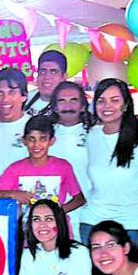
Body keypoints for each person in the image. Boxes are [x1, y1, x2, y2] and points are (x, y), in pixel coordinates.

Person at [81, 78, 138, 252]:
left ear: (125, 105)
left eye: (114, 100)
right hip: (93, 219)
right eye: (101, 101)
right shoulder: (92, 136)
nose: (107, 106)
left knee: (129, 269)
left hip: (131, 221)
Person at [0, 115, 85, 216]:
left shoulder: (63, 167)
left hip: (56, 225)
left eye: (43, 139)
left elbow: (79, 199)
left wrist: (56, 212)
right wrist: (12, 194)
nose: (36, 145)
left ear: (51, 141)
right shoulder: (16, 168)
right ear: (24, 141)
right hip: (24, 224)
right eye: (31, 139)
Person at [47, 81, 92, 231]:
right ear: (54, 107)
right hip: (53, 215)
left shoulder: (95, 133)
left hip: (90, 214)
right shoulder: (44, 136)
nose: (68, 106)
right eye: (62, 101)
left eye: (74, 100)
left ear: (83, 106)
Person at [25, 49, 68, 116]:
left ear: (64, 77)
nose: (47, 76)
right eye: (43, 71)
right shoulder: (24, 99)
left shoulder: (69, 107)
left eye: (53, 72)